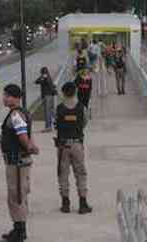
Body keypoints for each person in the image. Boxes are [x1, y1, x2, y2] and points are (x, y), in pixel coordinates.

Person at [0, 84, 39, 242]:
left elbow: (23, 135)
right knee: (19, 195)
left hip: (16, 162)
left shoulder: (15, 115)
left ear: (15, 98)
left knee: (16, 196)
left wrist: (30, 147)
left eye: (7, 95)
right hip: (19, 161)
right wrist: (31, 146)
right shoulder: (21, 113)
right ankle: (18, 228)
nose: (4, 98)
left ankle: (20, 232)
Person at [55, 82, 92, 214]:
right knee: (80, 173)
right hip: (77, 143)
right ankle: (83, 203)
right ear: (75, 92)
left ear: (63, 93)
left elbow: (55, 124)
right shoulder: (82, 108)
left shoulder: (59, 108)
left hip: (62, 146)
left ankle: (65, 203)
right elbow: (85, 122)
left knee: (63, 174)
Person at [35, 67, 57, 132]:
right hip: (50, 96)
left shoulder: (46, 78)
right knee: (51, 111)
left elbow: (37, 82)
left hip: (47, 96)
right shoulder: (47, 77)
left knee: (47, 112)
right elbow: (37, 81)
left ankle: (48, 127)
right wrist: (42, 77)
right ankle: (57, 124)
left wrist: (43, 77)